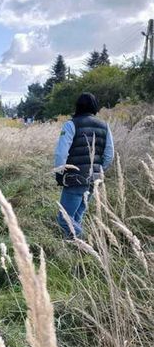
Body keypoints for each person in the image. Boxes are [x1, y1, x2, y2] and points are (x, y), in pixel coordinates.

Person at [54, 92, 114, 238]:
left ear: (78, 106)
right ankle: (73, 249)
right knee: (77, 217)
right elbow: (109, 155)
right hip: (94, 178)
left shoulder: (71, 124)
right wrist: (98, 170)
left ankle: (85, 243)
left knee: (64, 220)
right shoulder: (104, 126)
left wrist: (60, 172)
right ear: (95, 107)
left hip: (75, 178)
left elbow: (61, 154)